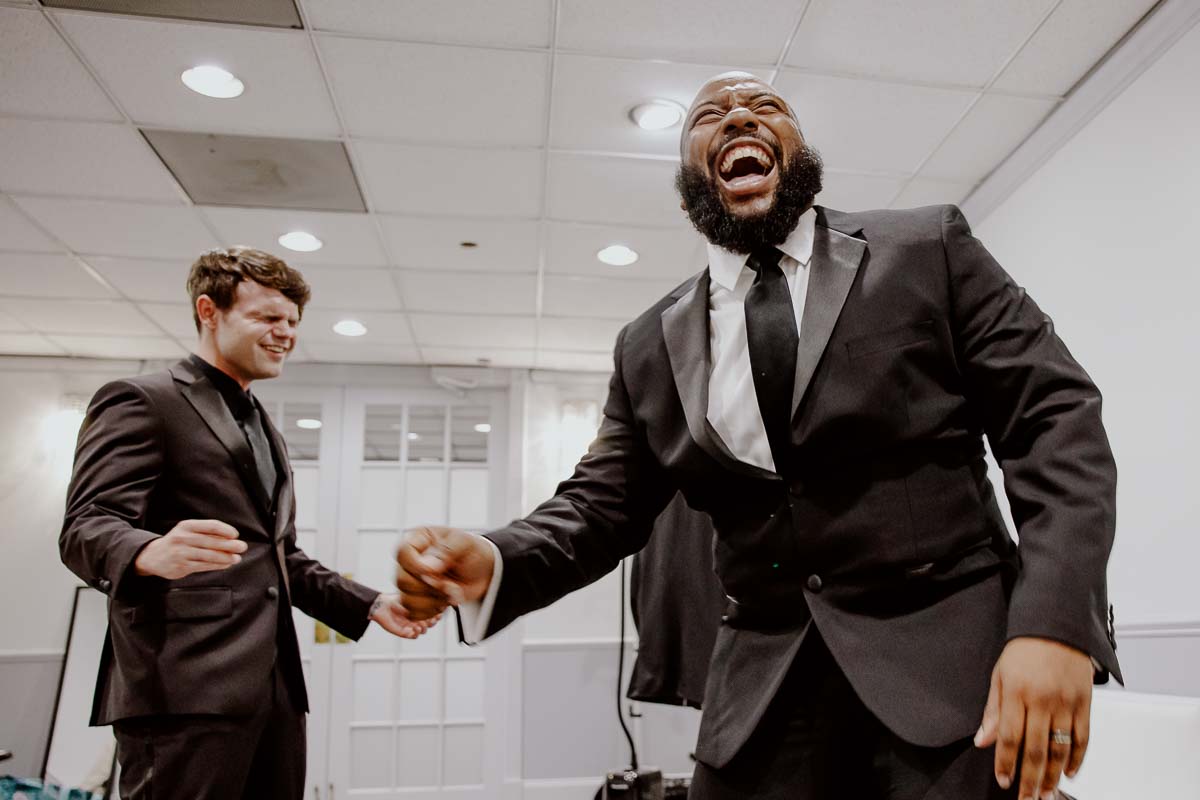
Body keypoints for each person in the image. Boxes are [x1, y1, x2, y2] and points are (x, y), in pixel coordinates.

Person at [394, 72, 1121, 800]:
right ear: (689, 179)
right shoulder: (647, 344)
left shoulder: (927, 248)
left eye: (765, 105)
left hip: (955, 678)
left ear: (797, 149)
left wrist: (1053, 625)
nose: (739, 114)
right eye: (709, 115)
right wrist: (494, 559)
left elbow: (1054, 415)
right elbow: (599, 506)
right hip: (761, 697)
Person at [59, 247, 434, 800]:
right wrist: (147, 551)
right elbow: (86, 525)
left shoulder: (267, 428)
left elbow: (282, 559)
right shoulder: (143, 400)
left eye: (292, 322)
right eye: (267, 318)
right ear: (209, 311)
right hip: (182, 690)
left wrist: (370, 604)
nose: (285, 333)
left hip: (275, 694)